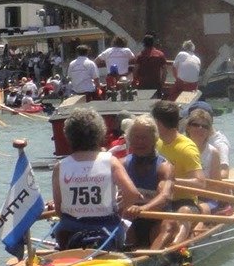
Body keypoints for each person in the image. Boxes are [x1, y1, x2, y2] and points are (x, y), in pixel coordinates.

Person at [51, 108, 141, 251]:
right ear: (99, 133)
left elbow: (58, 209)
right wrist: (117, 210)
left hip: (69, 234)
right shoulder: (111, 162)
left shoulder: (59, 167)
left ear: (69, 135)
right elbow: (133, 195)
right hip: (106, 232)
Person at [151, 100, 204, 248]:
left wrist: (172, 181)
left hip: (184, 202)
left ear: (158, 123)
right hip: (160, 200)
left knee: (183, 212)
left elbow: (200, 183)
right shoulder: (156, 144)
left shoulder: (186, 148)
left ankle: (175, 248)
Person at [120, 115, 174, 249]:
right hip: (131, 220)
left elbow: (165, 197)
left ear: (154, 139)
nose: (140, 142)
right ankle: (127, 251)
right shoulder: (122, 165)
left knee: (169, 223)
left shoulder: (164, 167)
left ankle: (152, 256)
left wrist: (142, 209)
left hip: (156, 219)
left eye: (145, 138)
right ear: (130, 140)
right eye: (136, 137)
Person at [184, 108, 226, 216]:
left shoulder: (213, 153)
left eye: (205, 126)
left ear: (209, 131)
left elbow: (217, 187)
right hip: (181, 196)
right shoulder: (180, 148)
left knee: (194, 210)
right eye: (196, 125)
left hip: (205, 198)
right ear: (188, 127)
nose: (200, 128)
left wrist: (198, 184)